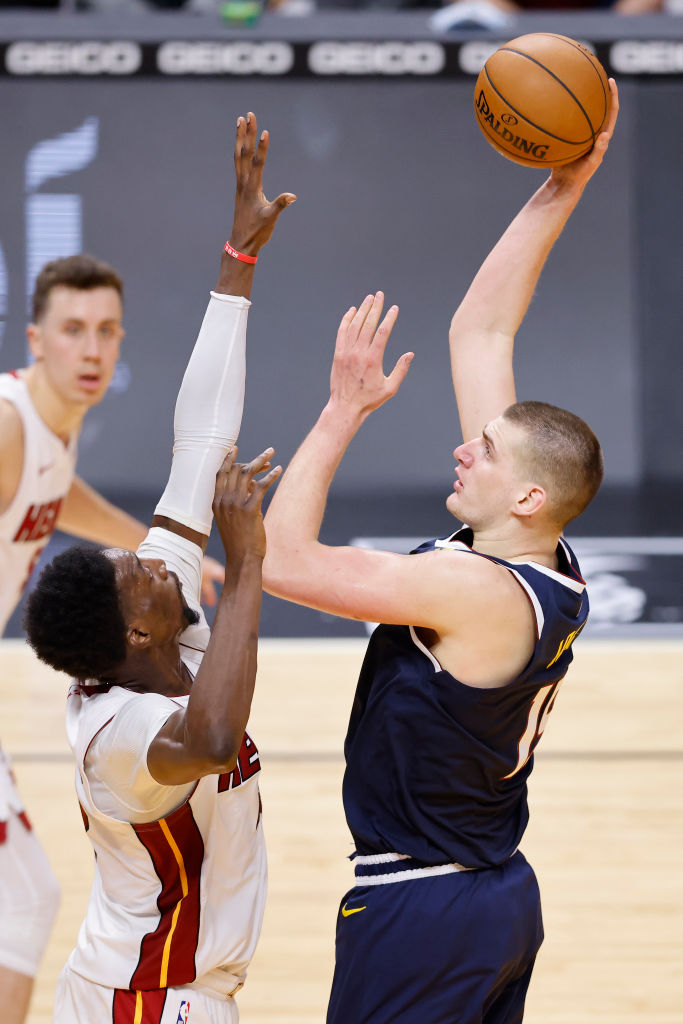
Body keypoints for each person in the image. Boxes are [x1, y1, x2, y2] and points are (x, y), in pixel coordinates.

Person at [263, 85, 619, 1024]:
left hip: (423, 905)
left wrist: (342, 408)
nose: (464, 448)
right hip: (488, 897)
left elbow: (283, 562)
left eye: (485, 452)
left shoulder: (472, 589)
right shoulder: (537, 554)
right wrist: (561, 186)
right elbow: (481, 330)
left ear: (529, 494)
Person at [23, 111, 294, 1024]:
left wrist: (238, 260)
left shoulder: (153, 612)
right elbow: (214, 738)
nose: (151, 559)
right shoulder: (120, 743)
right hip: (146, 1002)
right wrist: (247, 562)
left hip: (162, 994)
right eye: (134, 573)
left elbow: (200, 438)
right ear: (138, 629)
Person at [0, 256, 224, 1023]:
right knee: (23, 900)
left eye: (104, 331)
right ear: (35, 339)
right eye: (72, 331)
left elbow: (61, 497)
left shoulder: (50, 432)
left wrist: (155, 547)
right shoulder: (6, 424)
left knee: (21, 901)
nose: (91, 350)